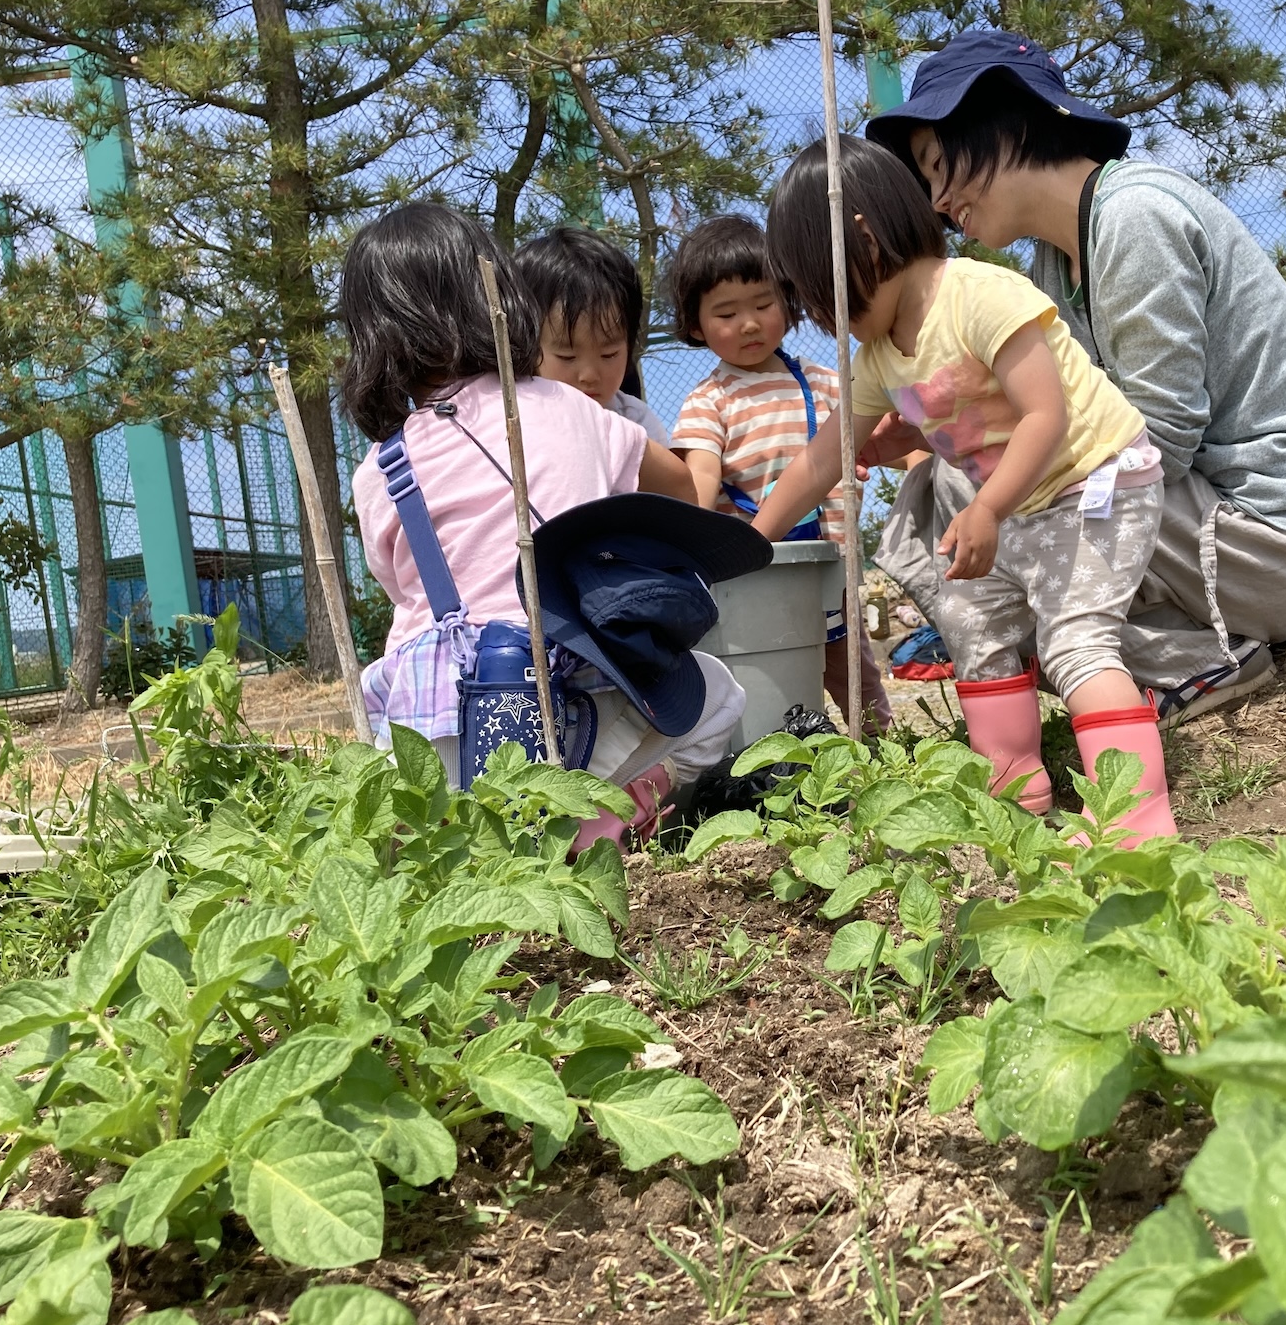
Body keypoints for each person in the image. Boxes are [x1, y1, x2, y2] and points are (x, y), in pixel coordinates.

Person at [864, 30, 1286, 725]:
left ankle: (1192, 660)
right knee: (956, 477)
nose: (938, 199)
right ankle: (1136, 661)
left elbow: (1156, 442)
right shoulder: (1053, 263)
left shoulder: (1132, 218)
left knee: (974, 481)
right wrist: (935, 422)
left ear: (1004, 122)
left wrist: (988, 454)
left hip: (1274, 544)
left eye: (941, 165)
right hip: (1206, 526)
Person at [752, 135, 1176, 841]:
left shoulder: (981, 293)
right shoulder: (881, 356)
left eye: (816, 290)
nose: (821, 318)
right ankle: (1015, 788)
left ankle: (1135, 821)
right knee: (973, 624)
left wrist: (985, 506)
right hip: (1023, 507)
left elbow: (1046, 414)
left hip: (1099, 481)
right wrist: (751, 537)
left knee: (1077, 644)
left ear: (864, 241)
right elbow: (822, 459)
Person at [341, 201, 743, 847]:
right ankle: (605, 816)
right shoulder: (573, 408)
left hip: (436, 728)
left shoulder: (381, 465)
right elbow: (680, 492)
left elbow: (400, 589)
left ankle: (445, 844)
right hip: (576, 703)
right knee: (719, 695)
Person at [667, 214, 892, 730]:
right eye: (726, 313)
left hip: (829, 570)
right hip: (756, 580)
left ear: (788, 304)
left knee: (851, 669)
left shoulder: (829, 382)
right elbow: (699, 483)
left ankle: (883, 749)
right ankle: (777, 762)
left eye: (764, 304)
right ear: (696, 325)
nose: (749, 323)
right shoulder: (709, 401)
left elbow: (888, 442)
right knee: (762, 674)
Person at [513, 225, 670, 445]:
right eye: (567, 356)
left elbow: (673, 479)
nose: (589, 375)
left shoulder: (635, 420)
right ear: (527, 347)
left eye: (609, 354)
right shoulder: (515, 418)